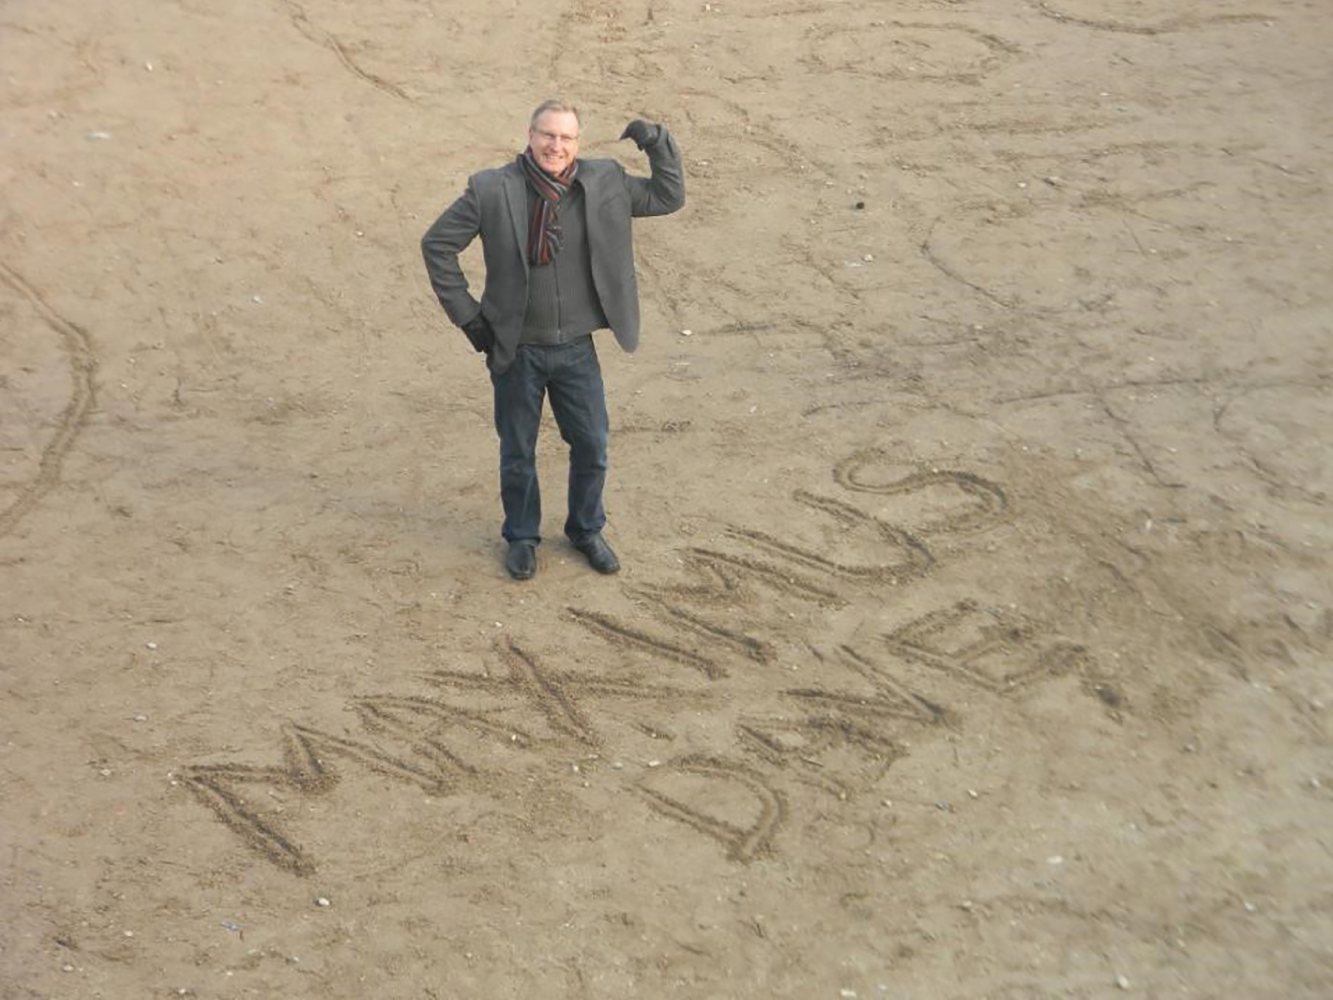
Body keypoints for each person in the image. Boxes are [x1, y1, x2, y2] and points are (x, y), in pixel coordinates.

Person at [421, 101, 685, 580]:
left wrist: (655, 140)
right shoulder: (491, 190)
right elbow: (437, 245)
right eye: (547, 135)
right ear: (530, 135)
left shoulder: (604, 182)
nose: (555, 146)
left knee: (592, 445)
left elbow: (668, 196)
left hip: (575, 349)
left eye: (565, 138)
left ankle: (586, 529)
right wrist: (469, 318)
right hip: (515, 349)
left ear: (577, 144)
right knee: (518, 451)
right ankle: (521, 536)